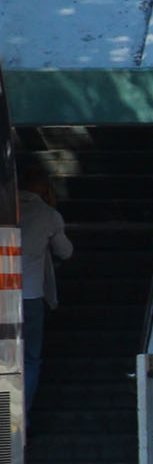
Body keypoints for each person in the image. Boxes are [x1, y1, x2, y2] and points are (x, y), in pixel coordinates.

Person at [19, 166, 72, 412]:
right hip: (31, 296)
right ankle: (22, 417)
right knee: (30, 359)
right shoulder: (48, 214)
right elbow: (66, 252)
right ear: (45, 188)